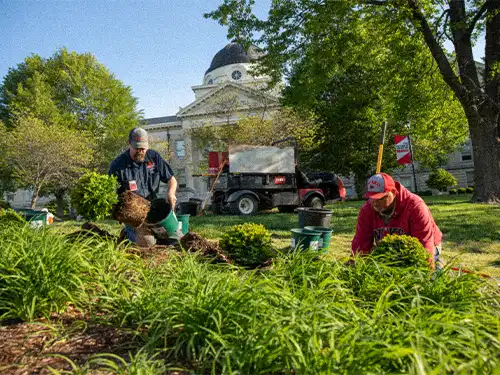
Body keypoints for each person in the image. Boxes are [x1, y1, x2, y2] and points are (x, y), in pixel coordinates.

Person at [351, 173, 442, 268]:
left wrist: (426, 271)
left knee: (416, 268)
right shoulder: (367, 210)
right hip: (391, 247)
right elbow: (361, 241)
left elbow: (425, 243)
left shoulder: (415, 206)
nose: (375, 202)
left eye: (381, 198)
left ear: (394, 192)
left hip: (427, 244)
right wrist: (356, 265)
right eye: (372, 197)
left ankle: (438, 264)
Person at [109, 127, 178, 243]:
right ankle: (127, 233)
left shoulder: (154, 157)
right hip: (134, 215)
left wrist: (171, 193)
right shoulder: (118, 165)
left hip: (153, 209)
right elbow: (110, 194)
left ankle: (156, 234)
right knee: (148, 242)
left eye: (143, 148)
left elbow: (172, 179)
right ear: (129, 144)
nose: (140, 151)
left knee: (176, 238)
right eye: (137, 148)